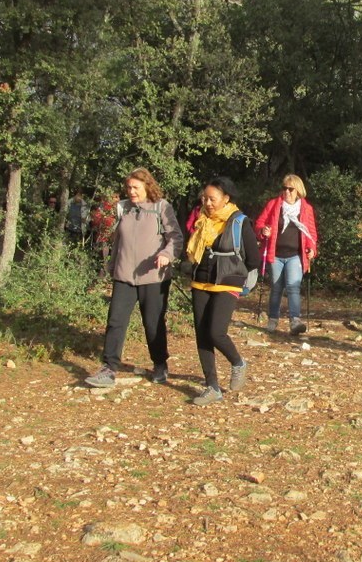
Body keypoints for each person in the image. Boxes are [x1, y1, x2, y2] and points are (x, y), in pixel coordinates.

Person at [85, 169, 183, 389]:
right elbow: (118, 240)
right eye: (128, 187)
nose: (131, 191)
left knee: (153, 324)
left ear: (148, 186)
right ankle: (109, 369)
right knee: (115, 322)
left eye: (135, 187)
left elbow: (175, 238)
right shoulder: (123, 208)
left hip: (154, 277)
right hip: (124, 275)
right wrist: (111, 265)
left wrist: (166, 255)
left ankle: (160, 364)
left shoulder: (161, 207)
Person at [186, 176, 261, 406]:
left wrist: (235, 275)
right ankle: (212, 387)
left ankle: (238, 362)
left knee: (216, 331)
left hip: (228, 282)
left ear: (226, 198)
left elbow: (253, 258)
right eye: (204, 198)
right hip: (200, 282)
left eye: (212, 199)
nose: (207, 203)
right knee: (202, 334)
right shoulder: (200, 220)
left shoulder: (239, 222)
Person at [254, 174, 319, 336]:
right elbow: (259, 223)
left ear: (298, 190)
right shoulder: (274, 205)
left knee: (293, 287)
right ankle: (273, 319)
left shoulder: (306, 209)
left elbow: (311, 233)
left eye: (290, 189)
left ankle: (295, 321)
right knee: (276, 287)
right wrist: (263, 231)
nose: (287, 192)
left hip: (296, 255)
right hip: (275, 254)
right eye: (284, 188)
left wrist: (311, 248)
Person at [89, 192, 120, 278]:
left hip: (115, 238)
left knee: (111, 260)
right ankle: (102, 280)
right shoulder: (104, 208)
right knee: (104, 261)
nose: (118, 199)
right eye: (116, 197)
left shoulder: (118, 209)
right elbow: (96, 221)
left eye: (118, 197)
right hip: (103, 238)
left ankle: (106, 279)